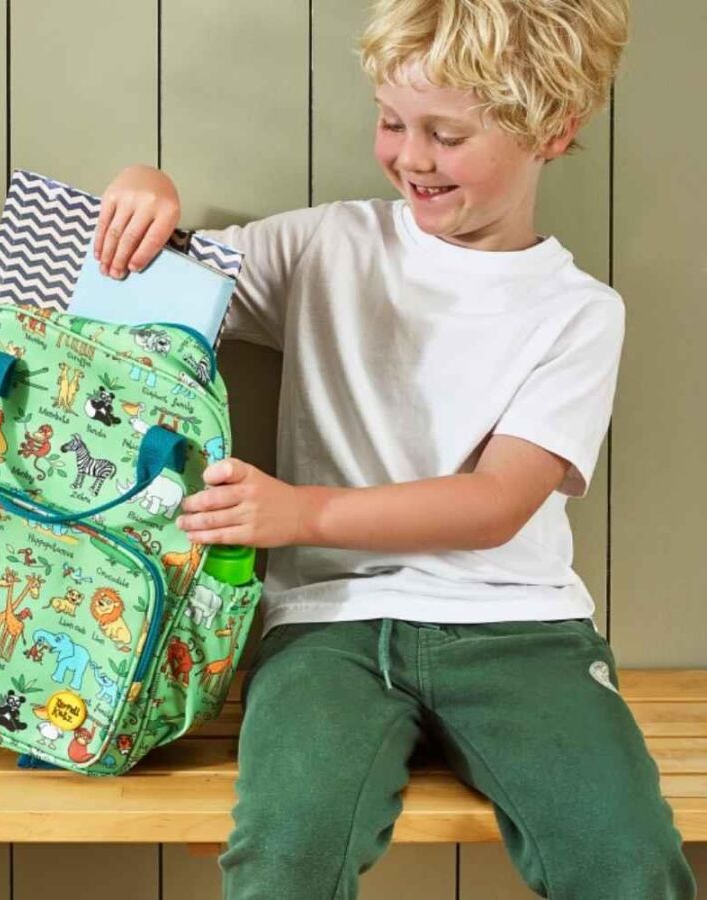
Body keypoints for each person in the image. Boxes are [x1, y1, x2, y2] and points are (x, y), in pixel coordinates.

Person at [92, 1, 697, 896]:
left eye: (446, 134)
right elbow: (136, 298)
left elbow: (495, 505)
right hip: (326, 631)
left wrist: (300, 514)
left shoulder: (578, 313)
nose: (411, 156)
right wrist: (145, 188)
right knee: (286, 852)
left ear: (553, 131)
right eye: (391, 122)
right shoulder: (323, 245)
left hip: (523, 634)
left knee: (627, 861)